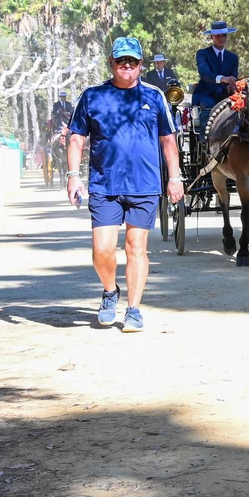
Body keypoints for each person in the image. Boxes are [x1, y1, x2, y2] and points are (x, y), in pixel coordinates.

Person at [65, 36, 184, 332]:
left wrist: (175, 177)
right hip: (105, 185)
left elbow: (168, 140)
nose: (127, 66)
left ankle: (133, 309)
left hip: (144, 185)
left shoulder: (155, 96)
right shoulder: (92, 96)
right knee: (102, 249)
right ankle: (109, 292)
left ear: (141, 65)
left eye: (132, 61)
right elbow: (77, 137)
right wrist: (72, 175)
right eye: (121, 61)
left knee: (135, 247)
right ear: (111, 63)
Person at [193, 20, 241, 136]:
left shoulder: (233, 57)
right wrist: (223, 79)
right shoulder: (203, 54)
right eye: (218, 36)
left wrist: (231, 86)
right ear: (212, 37)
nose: (221, 38)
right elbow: (204, 74)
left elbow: (234, 76)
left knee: (242, 109)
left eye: (224, 35)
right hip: (207, 94)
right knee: (209, 108)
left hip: (226, 95)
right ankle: (207, 142)